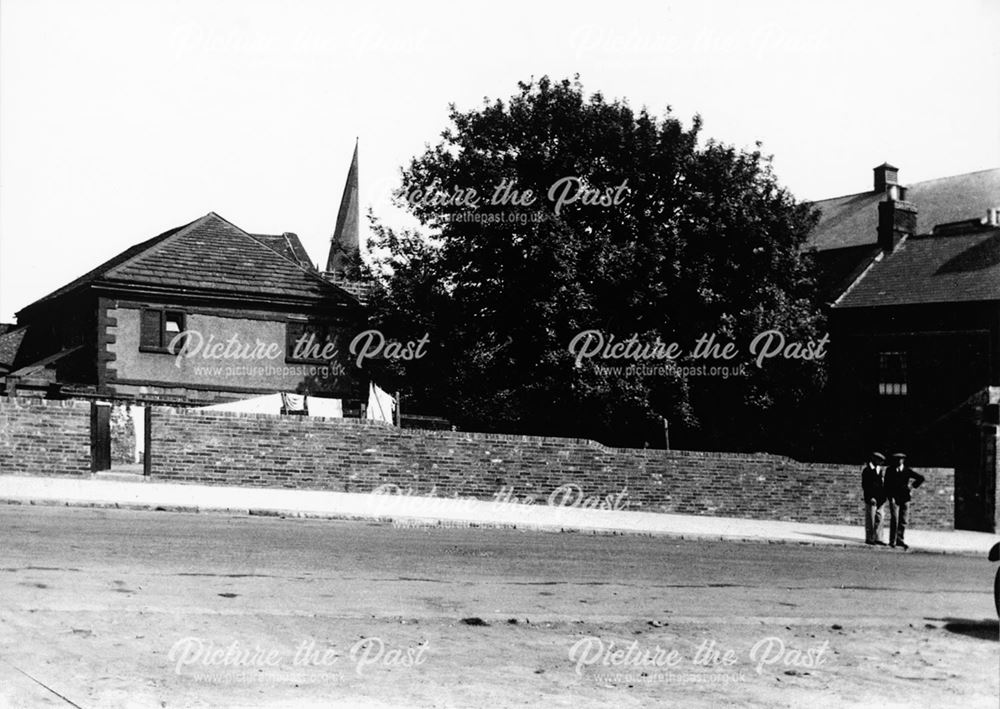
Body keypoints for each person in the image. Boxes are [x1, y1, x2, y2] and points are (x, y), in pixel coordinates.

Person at [885, 452, 925, 550]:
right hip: (894, 498)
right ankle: (892, 541)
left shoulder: (907, 471)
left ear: (903, 460)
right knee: (895, 519)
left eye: (901, 459)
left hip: (905, 498)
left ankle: (900, 540)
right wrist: (890, 497)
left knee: (903, 520)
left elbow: (921, 478)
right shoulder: (890, 470)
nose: (899, 461)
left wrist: (911, 486)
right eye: (897, 459)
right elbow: (887, 485)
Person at [861, 452, 887, 545]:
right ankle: (870, 538)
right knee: (870, 519)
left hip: (880, 499)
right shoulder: (867, 470)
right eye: (879, 460)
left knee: (880, 518)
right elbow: (865, 485)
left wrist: (884, 497)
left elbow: (881, 484)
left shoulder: (879, 470)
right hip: (871, 499)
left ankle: (878, 538)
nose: (880, 462)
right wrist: (870, 497)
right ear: (874, 459)